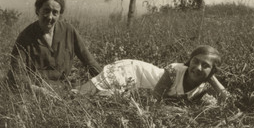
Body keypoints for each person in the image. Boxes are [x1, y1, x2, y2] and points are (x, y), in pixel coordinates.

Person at [8, 0, 102, 95]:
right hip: (36, 93)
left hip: (65, 89)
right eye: (46, 11)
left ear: (59, 15)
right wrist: (38, 91)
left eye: (55, 13)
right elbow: (15, 75)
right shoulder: (26, 36)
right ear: (38, 10)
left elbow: (89, 61)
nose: (50, 17)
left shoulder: (68, 31)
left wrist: (105, 81)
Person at [74, 45, 229, 104]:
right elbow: (155, 99)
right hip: (133, 71)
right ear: (190, 61)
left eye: (205, 65)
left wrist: (212, 78)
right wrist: (208, 71)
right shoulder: (175, 71)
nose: (197, 67)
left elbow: (228, 101)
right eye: (195, 61)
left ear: (213, 71)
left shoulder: (204, 86)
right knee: (83, 93)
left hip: (137, 88)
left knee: (97, 99)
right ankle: (62, 96)